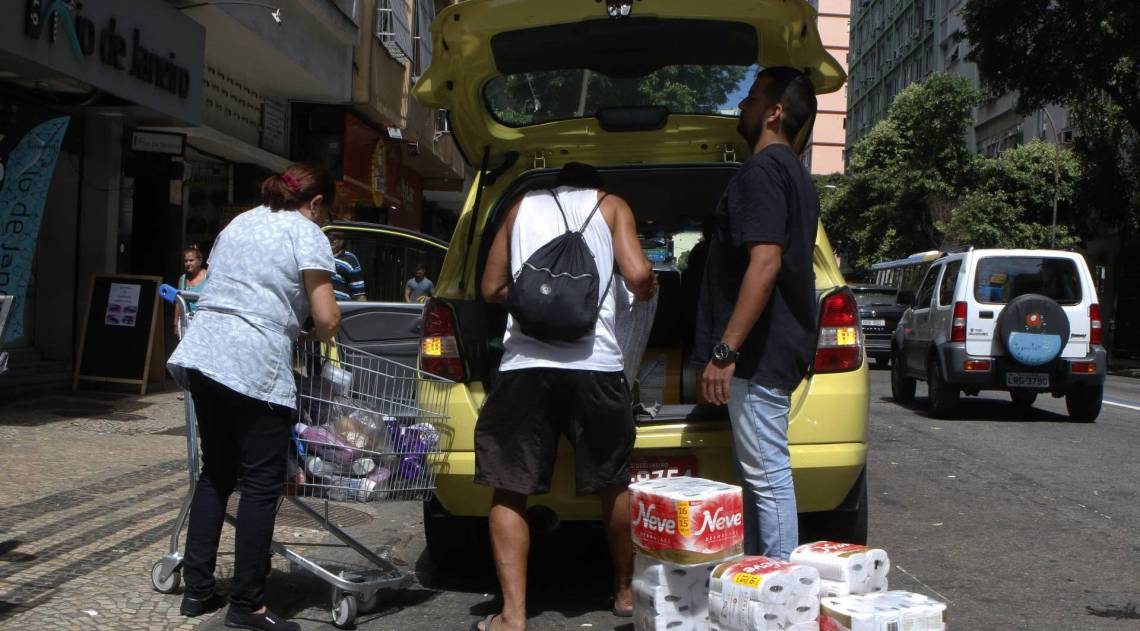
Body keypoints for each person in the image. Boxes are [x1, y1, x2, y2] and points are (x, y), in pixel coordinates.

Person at [472, 162, 656, 631]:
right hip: (596, 365)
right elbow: (638, 275)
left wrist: (540, 297)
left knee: (509, 486)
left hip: (524, 366)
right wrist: (648, 288)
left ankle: (512, 616)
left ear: (556, 186)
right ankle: (624, 593)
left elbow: (490, 288)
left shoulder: (518, 207)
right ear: (596, 186)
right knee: (613, 481)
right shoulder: (612, 206)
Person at [166, 163, 341, 631]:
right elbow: (326, 316)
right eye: (326, 212)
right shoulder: (306, 232)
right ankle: (248, 605)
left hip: (204, 353)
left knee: (217, 472)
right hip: (253, 361)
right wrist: (313, 334)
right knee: (262, 484)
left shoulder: (238, 223)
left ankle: (197, 590)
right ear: (316, 203)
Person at [691, 67, 820, 561]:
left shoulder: (761, 172)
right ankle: (760, 579)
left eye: (751, 98)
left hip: (759, 355)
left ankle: (784, 585)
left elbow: (765, 263)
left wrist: (725, 352)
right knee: (759, 472)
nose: (742, 106)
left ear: (774, 112)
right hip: (775, 348)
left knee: (767, 475)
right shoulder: (795, 175)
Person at [174, 245, 210, 339]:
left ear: (200, 260)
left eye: (191, 260)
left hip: (204, 322)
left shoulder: (209, 276)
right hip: (186, 322)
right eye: (186, 261)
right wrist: (175, 323)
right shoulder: (182, 279)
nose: (188, 263)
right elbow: (178, 302)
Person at [329, 231, 367, 301]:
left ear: (343, 240)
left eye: (336, 236)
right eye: (329, 235)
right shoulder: (317, 255)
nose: (331, 239)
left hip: (341, 305)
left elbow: (359, 294)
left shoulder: (350, 259)